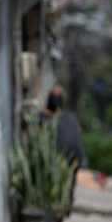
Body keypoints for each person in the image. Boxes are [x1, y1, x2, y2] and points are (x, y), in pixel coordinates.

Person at [43, 85, 86, 214]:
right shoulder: (71, 117)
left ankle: (57, 209)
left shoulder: (45, 119)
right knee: (68, 184)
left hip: (60, 156)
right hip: (75, 156)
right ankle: (65, 207)